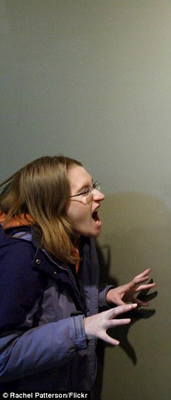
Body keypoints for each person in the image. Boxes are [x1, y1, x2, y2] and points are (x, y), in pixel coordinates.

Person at [0, 156, 156, 396]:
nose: (99, 196)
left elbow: (53, 301)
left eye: (94, 186)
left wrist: (104, 296)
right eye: (85, 192)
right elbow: (3, 355)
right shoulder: (20, 256)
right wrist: (80, 330)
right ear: (53, 205)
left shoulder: (74, 242)